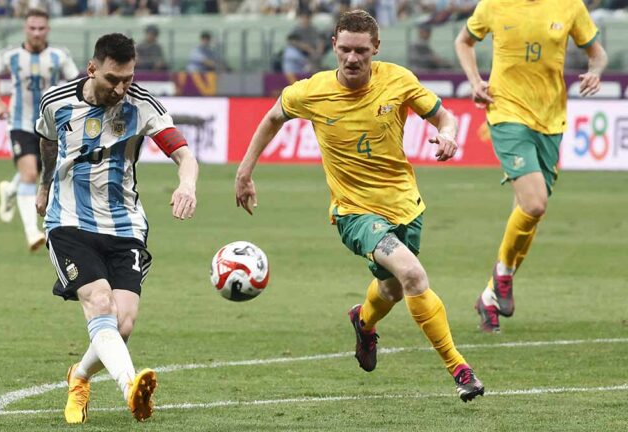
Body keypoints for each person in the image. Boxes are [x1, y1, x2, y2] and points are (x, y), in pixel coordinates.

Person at [235, 10, 485, 402]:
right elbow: (272, 117)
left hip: (405, 205)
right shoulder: (311, 91)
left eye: (362, 51)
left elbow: (443, 117)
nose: (353, 59)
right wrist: (245, 172)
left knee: (391, 289)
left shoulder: (398, 80)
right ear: (333, 45)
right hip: (354, 213)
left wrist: (449, 136)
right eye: (346, 49)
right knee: (413, 276)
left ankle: (363, 322)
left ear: (376, 49)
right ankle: (460, 369)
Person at [34, 32, 198, 424]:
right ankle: (130, 387)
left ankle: (80, 375)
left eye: (127, 78)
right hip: (69, 221)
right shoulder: (55, 102)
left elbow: (184, 153)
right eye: (112, 79)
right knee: (100, 303)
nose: (121, 88)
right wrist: (44, 185)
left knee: (121, 324)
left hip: (124, 224)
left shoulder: (142, 106)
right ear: (92, 69)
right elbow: (48, 142)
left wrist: (187, 184)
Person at [454, 0, 607, 333]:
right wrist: (475, 80)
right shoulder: (493, 5)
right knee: (536, 203)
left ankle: (490, 296)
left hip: (551, 120)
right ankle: (504, 275)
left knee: (527, 214)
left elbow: (597, 53)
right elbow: (463, 41)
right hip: (506, 112)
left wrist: (595, 72)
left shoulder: (569, 6)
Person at [0, 8, 79, 251]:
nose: (37, 33)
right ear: (25, 29)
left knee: (42, 170)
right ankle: (32, 233)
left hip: (49, 125)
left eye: (41, 28)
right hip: (19, 123)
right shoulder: (11, 55)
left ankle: (9, 191)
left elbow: (76, 83)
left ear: (47, 29)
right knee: (30, 174)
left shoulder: (60, 56)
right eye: (32, 28)